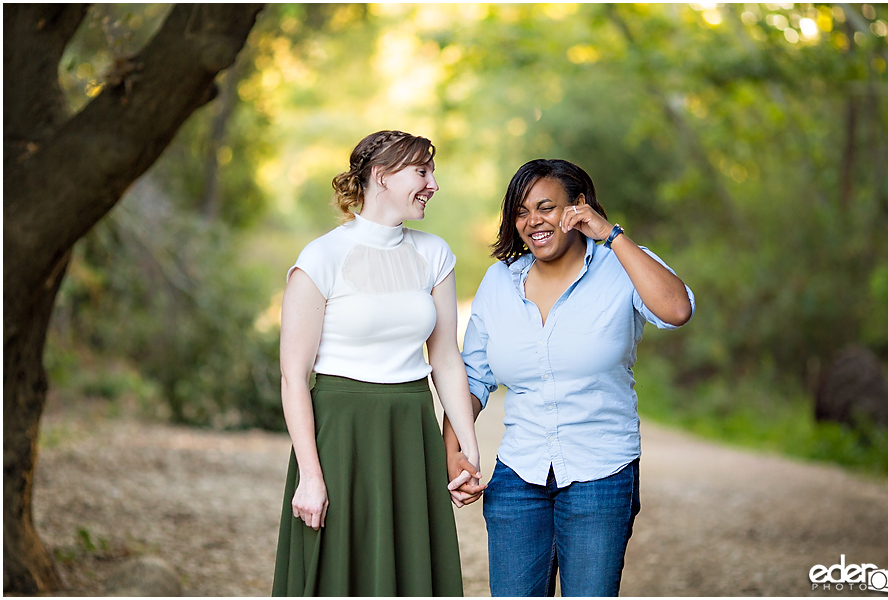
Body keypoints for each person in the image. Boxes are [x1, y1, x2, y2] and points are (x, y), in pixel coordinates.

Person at [443, 158, 695, 596]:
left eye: (546, 207)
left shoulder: (621, 266)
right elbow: (472, 377)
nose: (532, 221)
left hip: (601, 472)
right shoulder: (499, 282)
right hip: (518, 477)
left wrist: (611, 235)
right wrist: (454, 451)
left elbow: (677, 310)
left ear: (579, 207)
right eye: (521, 211)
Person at [272, 130, 482, 596]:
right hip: (341, 435)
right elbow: (293, 376)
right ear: (381, 176)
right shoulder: (322, 257)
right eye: (422, 172)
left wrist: (468, 449)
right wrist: (310, 475)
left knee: (408, 570)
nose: (434, 184)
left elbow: (446, 359)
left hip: (411, 429)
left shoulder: (434, 254)